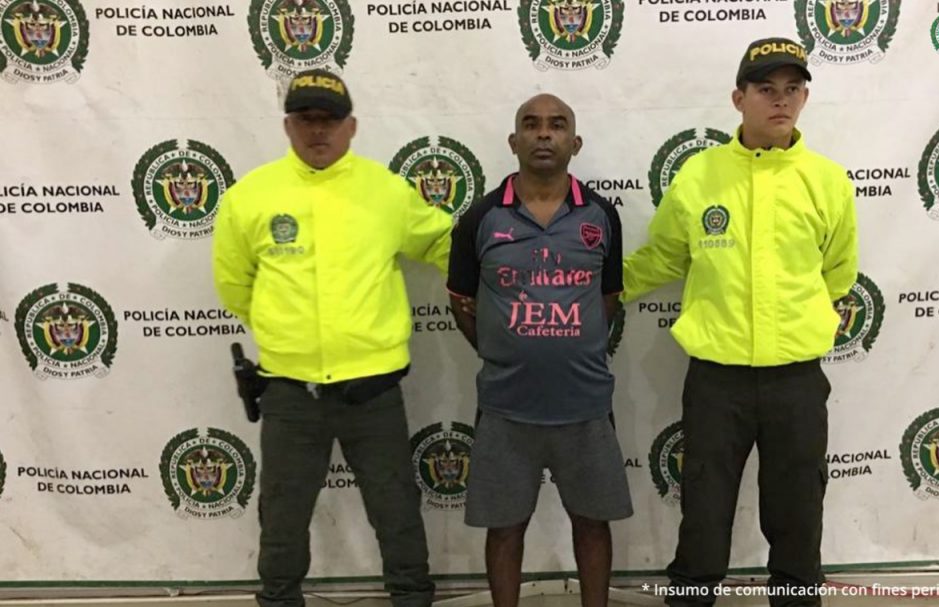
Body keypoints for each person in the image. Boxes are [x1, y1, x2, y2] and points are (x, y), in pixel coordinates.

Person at [622, 38, 858, 606]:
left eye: (792, 89)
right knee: (704, 509)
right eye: (765, 89)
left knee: (797, 510)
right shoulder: (699, 177)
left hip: (796, 379)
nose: (781, 101)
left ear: (804, 98)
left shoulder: (827, 182)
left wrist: (796, 324)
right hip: (716, 379)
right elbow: (663, 258)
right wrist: (596, 288)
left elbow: (838, 274)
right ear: (739, 97)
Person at [211, 69, 451, 607]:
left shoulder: (387, 192)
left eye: (330, 121)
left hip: (374, 390)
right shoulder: (251, 197)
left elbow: (444, 246)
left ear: (352, 127)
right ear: (288, 125)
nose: (318, 132)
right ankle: (278, 599)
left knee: (396, 510)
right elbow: (235, 285)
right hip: (290, 392)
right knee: (282, 514)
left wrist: (510, 244)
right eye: (306, 120)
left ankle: (412, 598)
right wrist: (291, 335)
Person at [447, 94, 633, 607]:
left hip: (585, 403)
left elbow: (608, 298)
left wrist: (568, 346)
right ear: (514, 142)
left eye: (556, 125)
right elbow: (461, 301)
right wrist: (504, 352)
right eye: (531, 125)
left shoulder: (601, 215)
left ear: (575, 142)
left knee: (592, 524)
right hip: (507, 406)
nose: (544, 134)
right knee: (505, 528)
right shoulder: (481, 217)